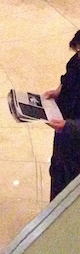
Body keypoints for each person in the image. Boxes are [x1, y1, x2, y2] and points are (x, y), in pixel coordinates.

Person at [43, 32, 80, 199]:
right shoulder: (77, 59)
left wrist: (69, 126)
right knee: (58, 172)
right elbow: (69, 74)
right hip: (64, 132)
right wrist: (59, 91)